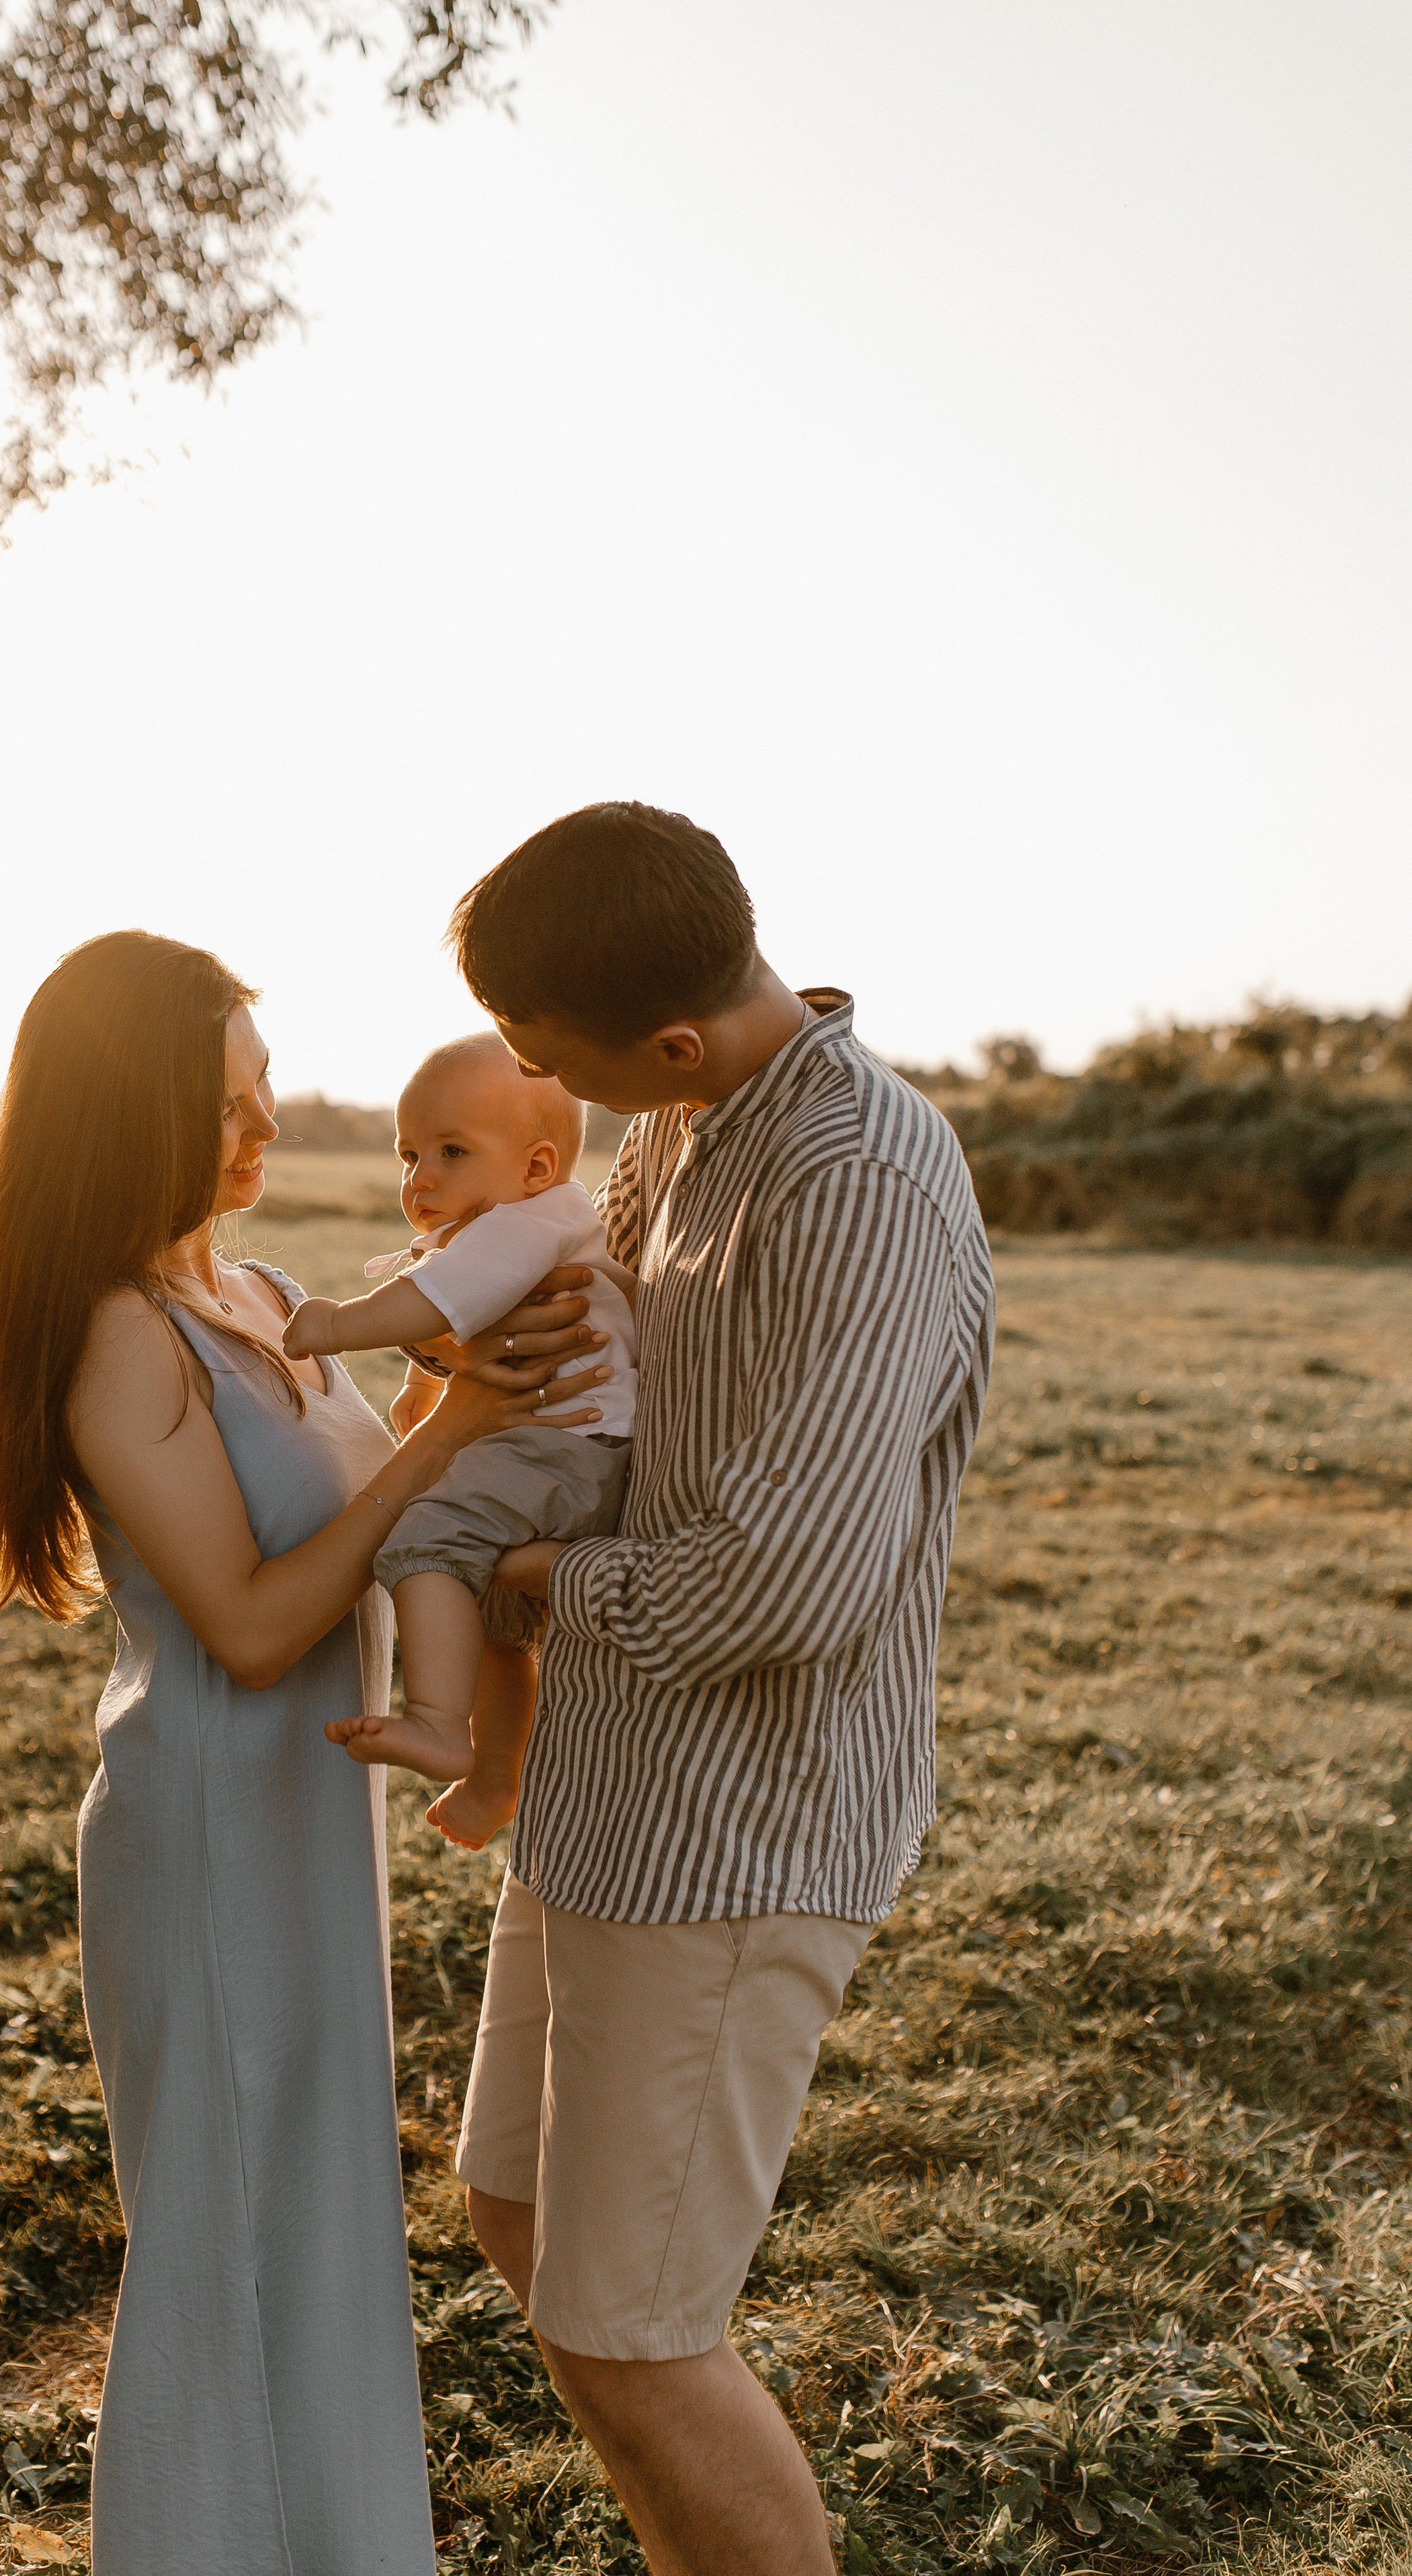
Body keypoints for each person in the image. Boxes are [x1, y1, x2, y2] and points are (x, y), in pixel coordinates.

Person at [0, 930, 611, 2576]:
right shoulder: (114, 1331)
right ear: (124, 1114)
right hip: (212, 1817)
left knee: (311, 2223)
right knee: (226, 2231)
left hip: (304, 1812)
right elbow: (245, 1617)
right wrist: (441, 1422)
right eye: (222, 1103)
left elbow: (406, 1521)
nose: (264, 1127)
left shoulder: (242, 1294)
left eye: (261, 1089)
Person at [427, 804, 995, 2576]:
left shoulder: (858, 1182)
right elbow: (631, 1413)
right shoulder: (676, 1127)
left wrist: (521, 1578)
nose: (534, 1084)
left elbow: (790, 1579)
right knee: (514, 2213)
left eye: (546, 1059)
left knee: (637, 2332)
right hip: (608, 1789)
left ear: (669, 1036)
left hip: (737, 1836)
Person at [284, 1030, 637, 1847]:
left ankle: (441, 1724)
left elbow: (436, 1302)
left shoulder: (527, 1222)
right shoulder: (525, 1220)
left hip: (568, 1450)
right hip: (569, 1450)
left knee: (427, 1543)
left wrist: (337, 1324)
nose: (422, 1179)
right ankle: (494, 1777)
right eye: (409, 1155)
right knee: (492, 1625)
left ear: (537, 1166)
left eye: (451, 1151)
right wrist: (425, 1381)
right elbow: (459, 1331)